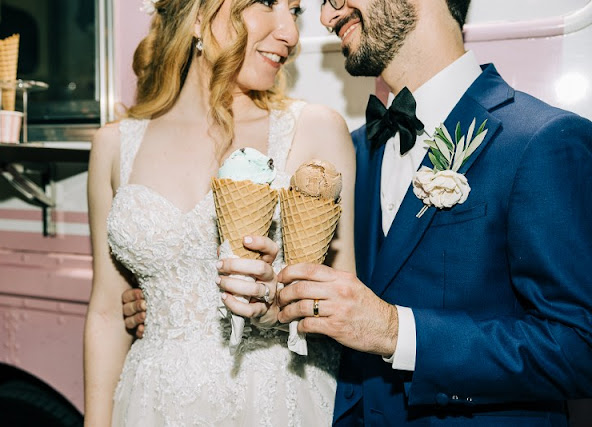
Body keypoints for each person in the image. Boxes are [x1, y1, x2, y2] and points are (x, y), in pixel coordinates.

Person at [124, 0, 592, 424]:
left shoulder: (542, 140)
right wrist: (186, 300)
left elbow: (580, 348)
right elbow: (331, 300)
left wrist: (396, 332)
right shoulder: (351, 153)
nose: (328, 17)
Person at [83, 0, 356, 425]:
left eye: (296, 11)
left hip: (274, 399)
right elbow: (104, 311)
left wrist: (278, 310)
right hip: (152, 402)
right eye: (267, 3)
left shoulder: (315, 129)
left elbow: (342, 299)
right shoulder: (114, 145)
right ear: (195, 14)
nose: (291, 33)